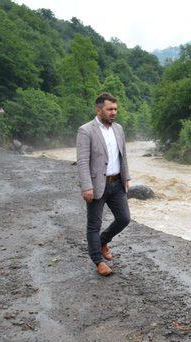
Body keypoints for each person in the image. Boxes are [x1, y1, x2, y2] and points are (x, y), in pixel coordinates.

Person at [76, 92, 131, 276]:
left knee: (124, 218)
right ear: (98, 109)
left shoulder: (119, 129)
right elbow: (82, 161)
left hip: (117, 183)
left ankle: (102, 241)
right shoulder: (86, 130)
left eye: (115, 109)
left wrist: (126, 177)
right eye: (110, 109)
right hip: (96, 184)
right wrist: (86, 186)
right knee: (93, 225)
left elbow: (122, 155)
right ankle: (98, 261)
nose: (113, 112)